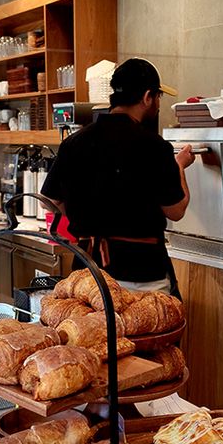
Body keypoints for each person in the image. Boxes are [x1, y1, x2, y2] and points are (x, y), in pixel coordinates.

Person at [41, 58, 195, 294]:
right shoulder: (154, 147)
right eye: (158, 97)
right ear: (147, 97)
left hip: (87, 274)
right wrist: (179, 167)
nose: (158, 104)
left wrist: (87, 221)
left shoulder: (74, 142)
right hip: (142, 277)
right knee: (143, 329)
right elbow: (175, 210)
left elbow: (51, 200)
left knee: (94, 331)